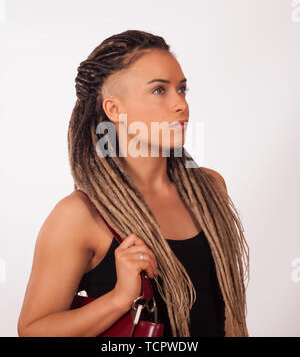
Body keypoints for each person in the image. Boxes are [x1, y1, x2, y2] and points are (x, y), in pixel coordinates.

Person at [17, 29, 250, 337]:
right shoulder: (80, 215)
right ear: (114, 109)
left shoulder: (209, 188)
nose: (180, 104)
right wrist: (118, 299)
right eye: (159, 91)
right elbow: (33, 330)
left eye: (182, 89)